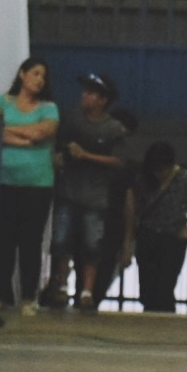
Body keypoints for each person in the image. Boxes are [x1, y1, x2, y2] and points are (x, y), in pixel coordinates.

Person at [0, 58, 59, 316]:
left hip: (36, 184)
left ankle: (28, 296)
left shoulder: (48, 108)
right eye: (35, 73)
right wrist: (22, 138)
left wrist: (7, 131)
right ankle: (0, 294)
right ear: (22, 74)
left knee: (30, 241)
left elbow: (41, 133)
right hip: (1, 180)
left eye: (43, 76)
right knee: (2, 239)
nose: (39, 80)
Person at [54, 73, 132, 312]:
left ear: (103, 100)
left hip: (96, 197)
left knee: (92, 245)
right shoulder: (71, 119)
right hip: (68, 191)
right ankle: (60, 286)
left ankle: (87, 291)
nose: (84, 96)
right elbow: (59, 147)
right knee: (61, 242)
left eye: (90, 93)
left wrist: (86, 156)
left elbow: (119, 161)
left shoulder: (113, 128)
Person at [128, 142, 187, 313]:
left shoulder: (186, 180)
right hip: (147, 236)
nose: (157, 175)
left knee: (164, 286)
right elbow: (133, 205)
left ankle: (162, 319)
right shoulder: (144, 178)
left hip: (172, 239)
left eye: (162, 170)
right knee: (147, 287)